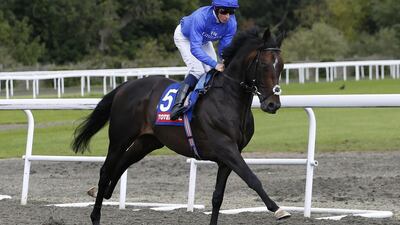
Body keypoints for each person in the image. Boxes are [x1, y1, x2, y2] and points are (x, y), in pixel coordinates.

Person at [170, 0, 239, 120]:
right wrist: (215, 63)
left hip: (203, 40)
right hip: (185, 37)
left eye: (231, 12)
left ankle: (208, 104)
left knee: (213, 71)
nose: (227, 16)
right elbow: (195, 49)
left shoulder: (231, 23)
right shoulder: (200, 17)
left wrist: (224, 60)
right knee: (198, 71)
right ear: (216, 9)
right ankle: (177, 105)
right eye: (224, 12)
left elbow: (224, 47)